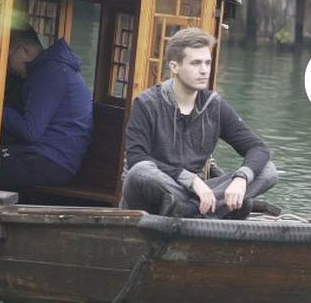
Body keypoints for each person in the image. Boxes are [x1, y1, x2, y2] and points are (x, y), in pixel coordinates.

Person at [119, 27, 277, 219]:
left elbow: (258, 148)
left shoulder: (215, 105)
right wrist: (192, 180)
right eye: (195, 63)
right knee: (141, 171)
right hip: (157, 192)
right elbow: (136, 158)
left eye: (207, 63)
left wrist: (241, 179)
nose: (204, 70)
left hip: (198, 195)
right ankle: (211, 209)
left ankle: (189, 209)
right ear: (174, 67)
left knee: (268, 171)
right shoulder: (146, 103)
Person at [0, 27, 93, 190]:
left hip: (52, 159)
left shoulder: (51, 73)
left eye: (7, 58)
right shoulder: (49, 69)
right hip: (50, 156)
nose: (7, 67)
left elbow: (30, 131)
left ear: (24, 50)